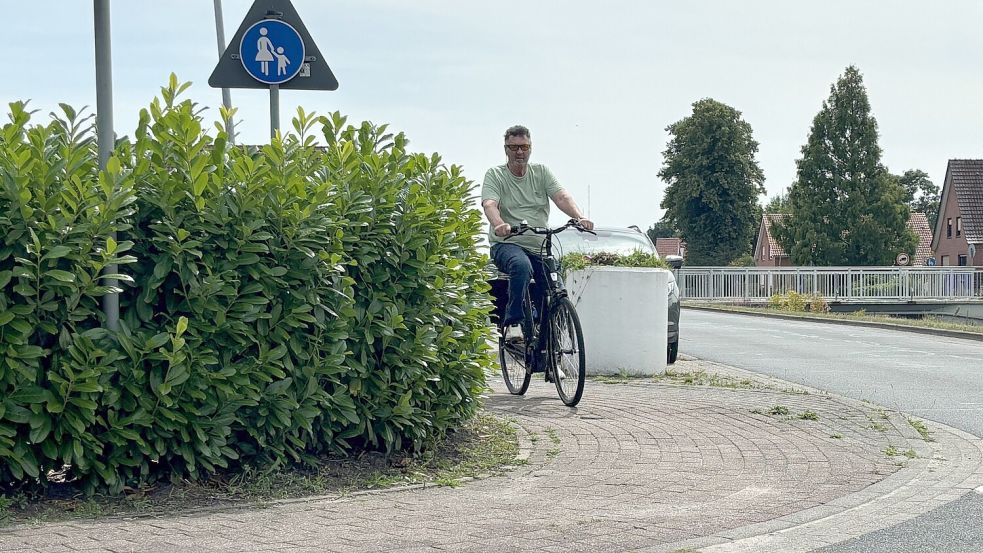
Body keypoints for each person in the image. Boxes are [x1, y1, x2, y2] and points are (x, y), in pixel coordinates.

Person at [481, 125, 594, 344]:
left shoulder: (541, 172)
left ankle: (550, 354)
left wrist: (579, 217)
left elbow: (561, 197)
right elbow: (490, 203)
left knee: (555, 289)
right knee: (521, 266)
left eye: (524, 147)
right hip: (507, 244)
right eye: (514, 147)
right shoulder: (495, 175)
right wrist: (499, 224)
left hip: (539, 246)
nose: (519, 152)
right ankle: (513, 322)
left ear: (531, 148)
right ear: (506, 149)